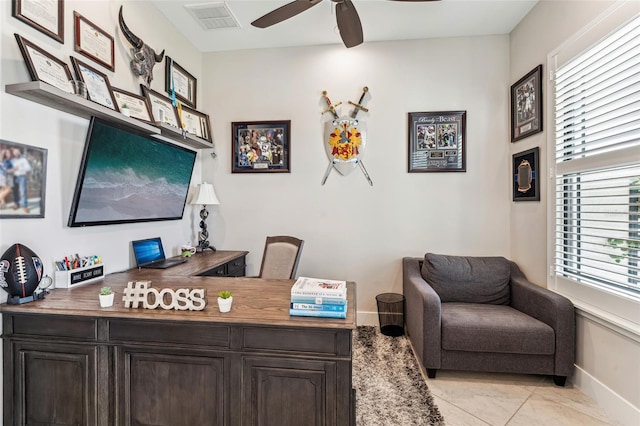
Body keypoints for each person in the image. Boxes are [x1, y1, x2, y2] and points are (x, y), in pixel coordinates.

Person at [10, 147, 31, 213]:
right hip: (14, 177)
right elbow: (9, 170)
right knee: (15, 192)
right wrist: (13, 169)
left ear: (19, 152)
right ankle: (17, 204)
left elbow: (28, 168)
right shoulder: (12, 160)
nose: (16, 153)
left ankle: (24, 206)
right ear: (13, 153)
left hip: (22, 177)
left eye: (17, 152)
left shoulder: (23, 160)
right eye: (14, 152)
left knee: (23, 192)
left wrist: (19, 168)